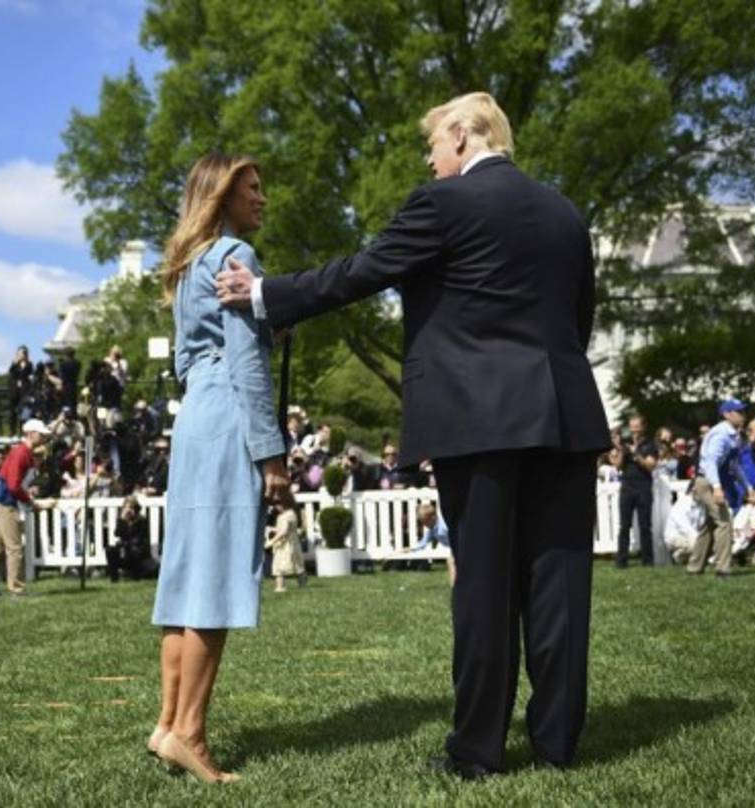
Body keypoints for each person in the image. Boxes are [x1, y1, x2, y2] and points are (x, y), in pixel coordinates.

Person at [215, 92, 609, 777]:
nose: (430, 158)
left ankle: (478, 751)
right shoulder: (565, 212)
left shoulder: (443, 202)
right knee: (558, 584)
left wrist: (264, 293)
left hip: (478, 417)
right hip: (563, 413)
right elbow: (581, 317)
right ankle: (557, 746)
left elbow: (363, 271)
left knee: (483, 585)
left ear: (462, 134)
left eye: (433, 144)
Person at [147, 152, 289, 785]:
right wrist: (271, 449)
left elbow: (184, 361)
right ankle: (191, 734)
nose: (262, 199)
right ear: (223, 195)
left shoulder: (186, 266)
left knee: (185, 581)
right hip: (229, 414)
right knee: (215, 580)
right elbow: (248, 365)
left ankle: (166, 723)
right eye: (253, 189)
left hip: (194, 418)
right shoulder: (236, 257)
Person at [0, 420, 48, 599]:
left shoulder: (22, 451)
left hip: (1, 499)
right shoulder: (22, 453)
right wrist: (29, 501)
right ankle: (17, 589)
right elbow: (13, 485)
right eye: (41, 434)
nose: (44, 437)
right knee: (14, 547)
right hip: (6, 500)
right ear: (31, 433)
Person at [687, 399, 748, 579]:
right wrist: (717, 488)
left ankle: (694, 567)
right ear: (726, 414)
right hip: (707, 481)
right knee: (724, 521)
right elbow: (710, 462)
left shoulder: (733, 434)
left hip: (709, 480)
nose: (743, 415)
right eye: (739, 412)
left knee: (710, 524)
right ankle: (722, 569)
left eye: (743, 412)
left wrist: (748, 487)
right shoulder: (721, 434)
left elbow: (734, 465)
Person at [615, 415, 658, 568]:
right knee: (624, 525)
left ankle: (647, 560)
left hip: (643, 488)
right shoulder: (626, 445)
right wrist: (621, 450)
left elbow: (650, 466)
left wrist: (636, 455)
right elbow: (618, 466)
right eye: (631, 426)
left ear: (643, 427)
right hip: (627, 488)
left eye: (636, 426)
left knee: (645, 526)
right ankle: (621, 560)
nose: (633, 430)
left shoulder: (650, 445)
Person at [108, 496, 158, 581]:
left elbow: (139, 539)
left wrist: (130, 526)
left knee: (132, 550)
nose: (128, 510)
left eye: (131, 507)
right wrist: (122, 520)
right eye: (126, 507)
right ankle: (114, 577)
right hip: (125, 553)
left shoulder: (142, 521)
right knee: (110, 550)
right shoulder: (122, 520)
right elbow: (117, 533)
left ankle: (135, 575)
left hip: (138, 555)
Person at [264, 491, 306, 592]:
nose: (275, 507)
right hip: (289, 544)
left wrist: (271, 541)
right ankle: (301, 583)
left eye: (277, 504)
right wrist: (272, 529)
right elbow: (283, 528)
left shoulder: (288, 515)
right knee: (296, 564)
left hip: (286, 545)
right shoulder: (286, 514)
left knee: (279, 567)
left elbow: (284, 531)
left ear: (285, 503)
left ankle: (280, 587)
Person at [662, 482, 702, 564]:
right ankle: (679, 555)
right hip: (676, 537)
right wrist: (700, 539)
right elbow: (684, 527)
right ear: (693, 490)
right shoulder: (682, 504)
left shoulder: (701, 505)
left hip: (691, 536)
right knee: (699, 544)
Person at [8, 346, 35, 433]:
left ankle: (22, 430)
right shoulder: (15, 364)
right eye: (20, 353)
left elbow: (30, 375)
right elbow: (11, 372)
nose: (22, 355)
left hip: (24, 390)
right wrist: (15, 362)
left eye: (23, 353)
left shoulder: (29, 364)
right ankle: (12, 431)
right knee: (13, 411)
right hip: (15, 391)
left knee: (24, 411)